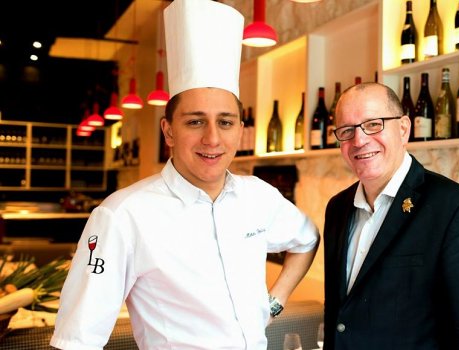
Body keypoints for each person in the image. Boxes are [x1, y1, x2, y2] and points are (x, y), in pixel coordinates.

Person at [50, 0, 319, 349]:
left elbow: (307, 239)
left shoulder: (259, 196)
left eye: (225, 122)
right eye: (195, 121)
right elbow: (76, 340)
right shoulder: (122, 215)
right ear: (168, 131)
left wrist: (274, 301)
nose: (212, 138)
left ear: (240, 130)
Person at [323, 82, 459, 349]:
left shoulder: (456, 210)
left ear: (403, 129)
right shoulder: (337, 208)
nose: (359, 140)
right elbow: (339, 317)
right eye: (347, 130)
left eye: (373, 124)